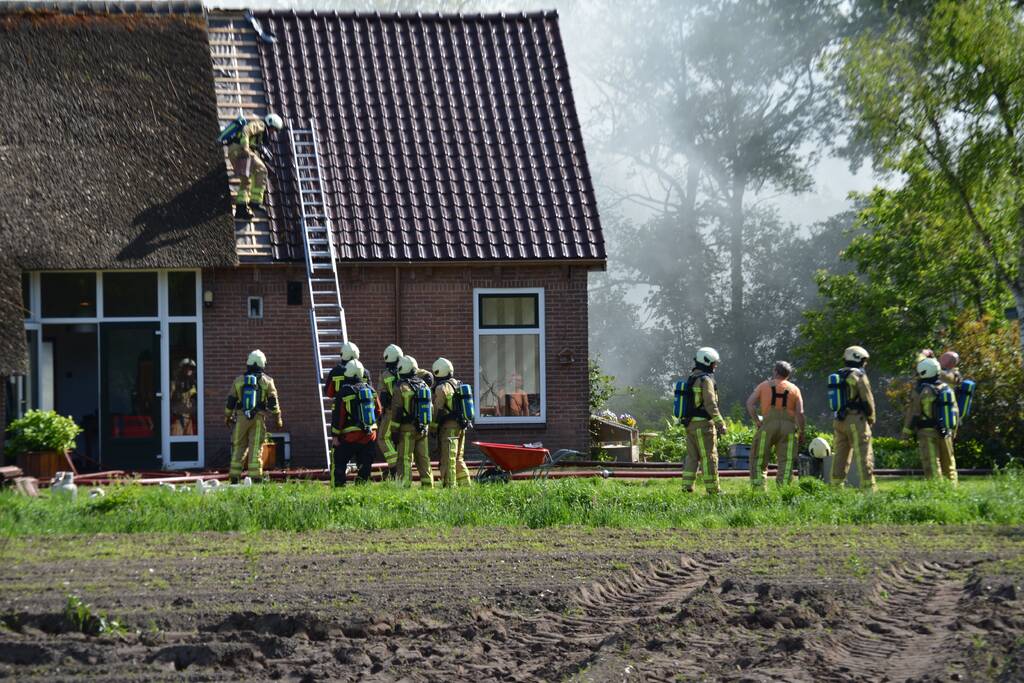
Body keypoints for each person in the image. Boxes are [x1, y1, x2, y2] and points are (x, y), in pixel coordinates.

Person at [224, 350, 282, 484]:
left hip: (240, 419)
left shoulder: (238, 381)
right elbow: (274, 402)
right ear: (263, 364)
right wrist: (278, 418)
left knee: (238, 446)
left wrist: (227, 417)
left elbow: (231, 401)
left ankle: (234, 476)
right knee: (255, 446)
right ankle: (255, 478)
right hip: (258, 418)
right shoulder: (268, 381)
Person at [746, 361, 805, 488]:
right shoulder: (795, 389)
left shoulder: (764, 385)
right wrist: (801, 432)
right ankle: (783, 490)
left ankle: (758, 489)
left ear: (775, 371)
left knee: (759, 458)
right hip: (788, 428)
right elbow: (800, 412)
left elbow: (750, 403)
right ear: (788, 375)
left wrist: (757, 421)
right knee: (786, 460)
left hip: (767, 426)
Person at [678, 347, 727, 495]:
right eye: (714, 363)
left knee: (692, 458)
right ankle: (713, 490)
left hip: (690, 424)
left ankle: (687, 488)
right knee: (709, 457)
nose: (715, 366)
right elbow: (710, 404)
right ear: (706, 362)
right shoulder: (706, 379)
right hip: (704, 426)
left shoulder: (692, 377)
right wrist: (720, 423)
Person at [902, 357, 958, 484]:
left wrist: (906, 433)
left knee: (932, 464)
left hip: (927, 433)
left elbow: (913, 413)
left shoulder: (920, 391)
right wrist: (953, 431)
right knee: (949, 463)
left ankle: (936, 492)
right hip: (946, 431)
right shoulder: (947, 389)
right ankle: (953, 490)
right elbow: (955, 411)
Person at [829, 346, 876, 491]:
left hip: (839, 420)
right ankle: (869, 489)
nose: (865, 364)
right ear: (859, 359)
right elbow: (867, 399)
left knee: (841, 454)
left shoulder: (839, 374)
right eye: (864, 361)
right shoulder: (858, 376)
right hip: (855, 419)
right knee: (863, 453)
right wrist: (871, 418)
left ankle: (836, 487)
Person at [383, 355, 433, 488]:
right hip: (423, 429)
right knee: (423, 458)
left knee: (404, 458)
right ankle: (428, 485)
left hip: (406, 430)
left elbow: (397, 411)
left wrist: (394, 431)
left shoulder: (400, 387)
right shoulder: (423, 385)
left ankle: (404, 486)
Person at [329, 359, 381, 486]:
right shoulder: (371, 390)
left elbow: (338, 417)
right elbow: (378, 410)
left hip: (350, 436)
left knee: (340, 462)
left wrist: (335, 436)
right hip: (370, 435)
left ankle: (340, 487)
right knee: (365, 466)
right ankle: (362, 488)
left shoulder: (344, 391)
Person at [228, 113, 284, 219]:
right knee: (261, 170)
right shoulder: (261, 125)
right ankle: (255, 201)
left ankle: (241, 208)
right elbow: (246, 130)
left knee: (247, 180)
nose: (273, 133)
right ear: (270, 124)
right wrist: (245, 148)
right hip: (240, 150)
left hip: (234, 152)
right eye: (274, 130)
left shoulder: (260, 138)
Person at [431, 357, 473, 488]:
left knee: (448, 458)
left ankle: (450, 487)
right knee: (458, 458)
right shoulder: (458, 384)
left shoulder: (441, 388)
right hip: (462, 425)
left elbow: (438, 410)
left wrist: (433, 427)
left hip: (449, 428)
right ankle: (466, 485)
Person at [377, 343, 404, 479]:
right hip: (407, 413)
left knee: (382, 438)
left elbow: (381, 396)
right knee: (399, 441)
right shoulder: (408, 370)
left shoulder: (385, 374)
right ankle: (401, 467)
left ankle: (394, 468)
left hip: (391, 413)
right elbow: (428, 377)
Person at [170, 358, 197, 436]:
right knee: (177, 440)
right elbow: (171, 399)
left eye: (191, 368)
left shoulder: (193, 383)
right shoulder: (175, 383)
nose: (189, 370)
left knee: (190, 443)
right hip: (178, 418)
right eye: (187, 367)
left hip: (190, 418)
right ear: (182, 368)